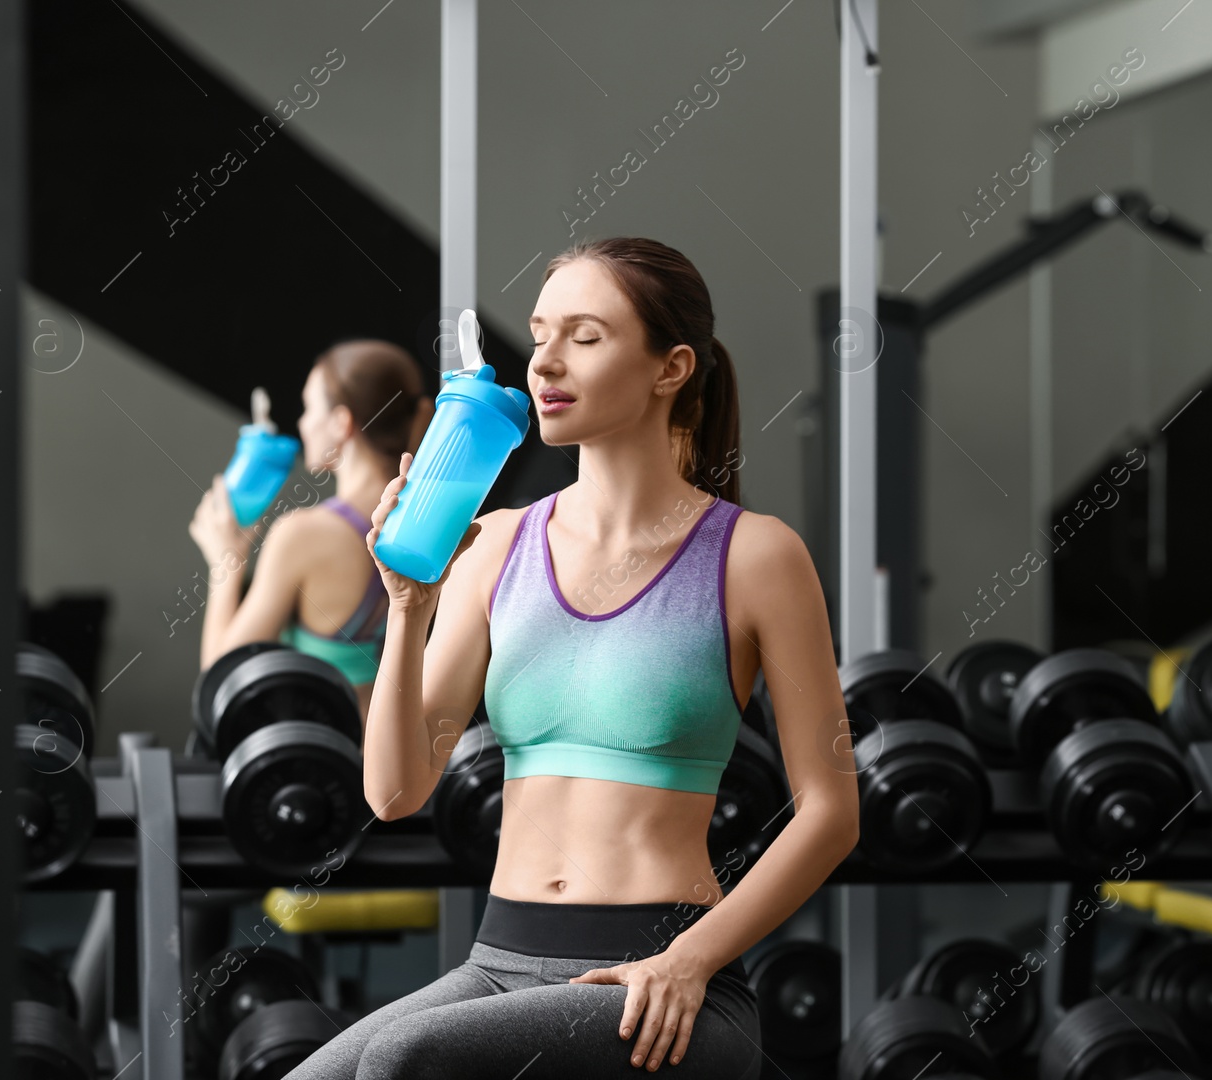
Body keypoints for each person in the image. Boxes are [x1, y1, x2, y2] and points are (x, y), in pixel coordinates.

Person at [287, 237, 859, 1079]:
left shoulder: (755, 558)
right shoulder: (495, 545)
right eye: (540, 333)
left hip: (659, 981)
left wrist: (689, 960)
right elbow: (395, 791)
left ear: (671, 369)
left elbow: (831, 811)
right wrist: (408, 609)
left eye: (585, 337)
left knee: (406, 1062)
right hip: (498, 961)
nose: (545, 361)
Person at [189, 340, 433, 721]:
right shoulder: (434, 525)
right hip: (392, 762)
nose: (301, 423)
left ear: (341, 422)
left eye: (308, 408)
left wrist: (226, 563)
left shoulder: (304, 534)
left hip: (322, 765)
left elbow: (221, 682)